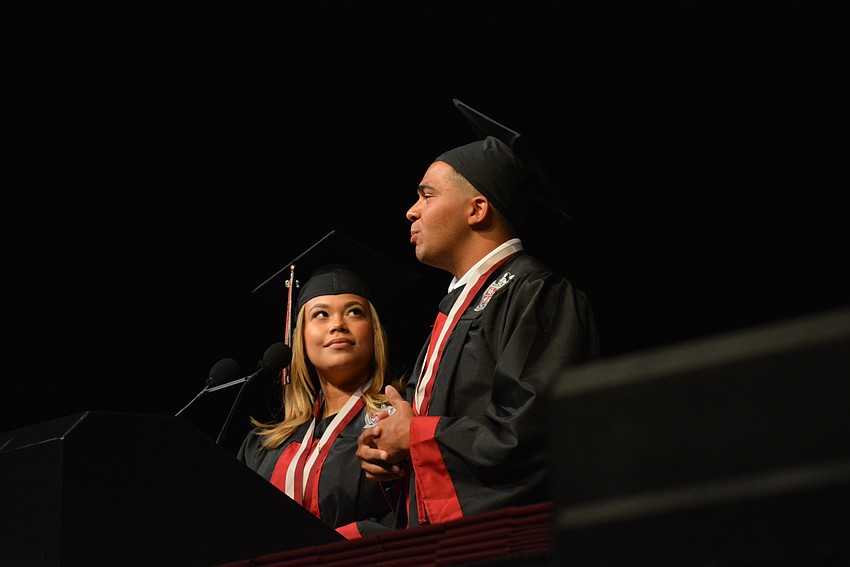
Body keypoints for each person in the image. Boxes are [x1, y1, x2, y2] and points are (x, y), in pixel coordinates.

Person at [357, 99, 601, 529]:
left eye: (426, 195)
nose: (411, 211)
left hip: (505, 544)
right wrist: (392, 452)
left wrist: (414, 437)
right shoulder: (456, 307)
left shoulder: (536, 292)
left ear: (477, 209)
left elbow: (530, 433)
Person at [238, 230, 417, 539]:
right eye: (320, 315)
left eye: (354, 312)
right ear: (300, 338)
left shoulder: (397, 423)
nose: (338, 324)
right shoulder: (263, 446)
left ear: (374, 332)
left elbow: (416, 515)